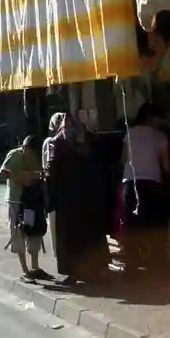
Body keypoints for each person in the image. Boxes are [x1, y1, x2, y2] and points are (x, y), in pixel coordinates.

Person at [45, 112, 109, 284]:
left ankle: (72, 272)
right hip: (89, 195)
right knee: (91, 232)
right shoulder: (88, 139)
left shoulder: (59, 142)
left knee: (69, 236)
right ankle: (97, 269)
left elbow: (53, 170)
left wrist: (50, 197)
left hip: (67, 197)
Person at [121, 103, 170, 275]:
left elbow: (123, 159)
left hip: (130, 182)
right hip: (152, 183)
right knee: (154, 224)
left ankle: (132, 264)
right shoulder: (160, 136)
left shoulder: (129, 133)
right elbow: (166, 165)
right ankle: (156, 262)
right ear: (152, 118)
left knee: (132, 225)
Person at [0, 134, 48, 281]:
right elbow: (2, 173)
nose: (31, 155)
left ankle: (35, 267)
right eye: (29, 151)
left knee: (34, 231)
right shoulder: (14, 155)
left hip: (31, 200)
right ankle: (25, 271)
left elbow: (39, 173)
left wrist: (36, 178)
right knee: (18, 233)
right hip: (16, 200)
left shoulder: (34, 159)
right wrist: (21, 178)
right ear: (24, 147)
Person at [42, 113, 65, 256]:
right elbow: (47, 168)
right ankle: (58, 252)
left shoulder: (63, 141)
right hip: (54, 187)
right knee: (55, 220)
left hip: (58, 187)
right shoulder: (51, 142)